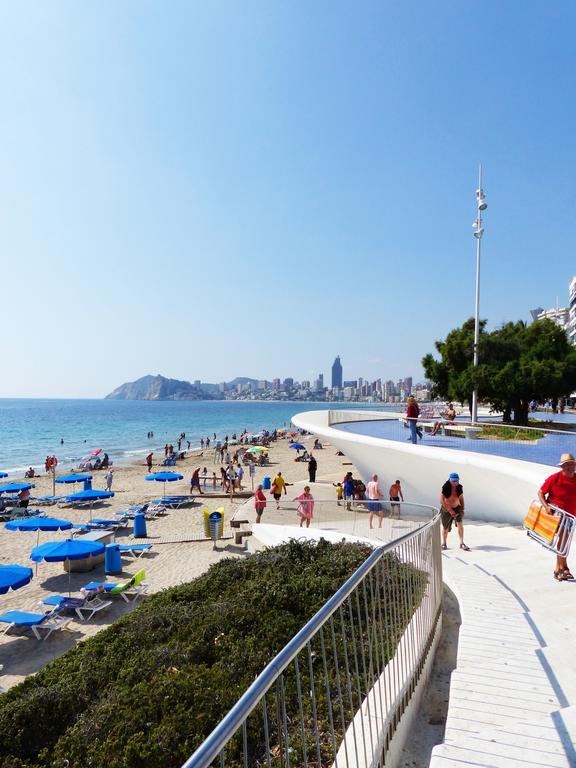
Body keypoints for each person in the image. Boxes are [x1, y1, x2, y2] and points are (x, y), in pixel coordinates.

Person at [537, 453, 576, 581]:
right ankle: (560, 568)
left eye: (572, 464)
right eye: (568, 464)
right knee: (563, 539)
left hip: (571, 516)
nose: (571, 467)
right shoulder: (555, 478)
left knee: (565, 542)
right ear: (562, 467)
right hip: (558, 514)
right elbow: (541, 492)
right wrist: (547, 507)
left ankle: (563, 568)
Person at [440, 472, 470, 551]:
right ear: (450, 480)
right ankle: (444, 543)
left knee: (460, 525)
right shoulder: (445, 487)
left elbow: (461, 498)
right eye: (453, 481)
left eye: (457, 481)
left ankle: (462, 543)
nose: (455, 483)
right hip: (446, 509)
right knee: (445, 527)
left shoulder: (459, 487)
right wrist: (450, 510)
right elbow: (442, 500)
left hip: (457, 508)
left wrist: (462, 509)